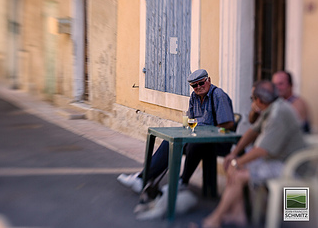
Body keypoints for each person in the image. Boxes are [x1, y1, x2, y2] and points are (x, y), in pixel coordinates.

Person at [198, 80, 308, 228]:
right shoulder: (272, 108)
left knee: (238, 173)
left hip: (292, 167)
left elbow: (262, 150)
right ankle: (238, 215)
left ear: (258, 100)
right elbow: (252, 131)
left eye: (252, 98)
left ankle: (215, 220)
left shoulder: (278, 114)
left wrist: (238, 161)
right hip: (278, 160)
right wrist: (234, 154)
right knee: (235, 168)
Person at [117, 69, 235, 196]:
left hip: (218, 140)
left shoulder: (218, 95)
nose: (198, 87)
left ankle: (183, 181)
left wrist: (208, 132)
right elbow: (190, 120)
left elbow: (228, 123)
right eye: (194, 86)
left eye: (201, 83)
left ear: (209, 80)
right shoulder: (194, 97)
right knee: (170, 142)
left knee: (195, 145)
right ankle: (142, 179)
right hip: (198, 136)